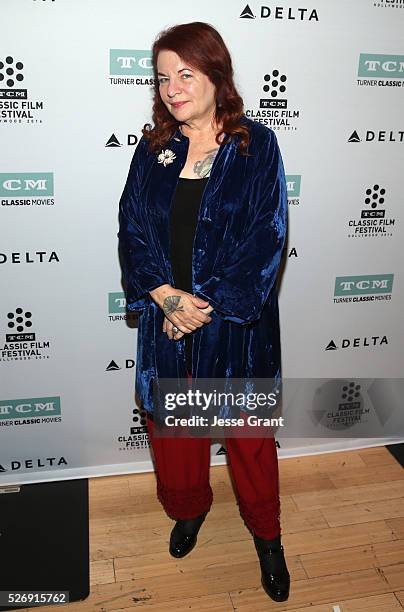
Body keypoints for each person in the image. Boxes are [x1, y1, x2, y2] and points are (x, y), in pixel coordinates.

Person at [117, 21, 289, 602]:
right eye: (163, 78)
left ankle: (267, 538)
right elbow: (132, 230)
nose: (172, 88)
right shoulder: (153, 150)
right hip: (168, 326)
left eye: (186, 73)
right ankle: (188, 513)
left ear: (217, 74)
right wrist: (165, 297)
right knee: (176, 437)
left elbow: (266, 237)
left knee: (249, 439)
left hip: (236, 329)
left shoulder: (256, 146)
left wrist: (204, 305)